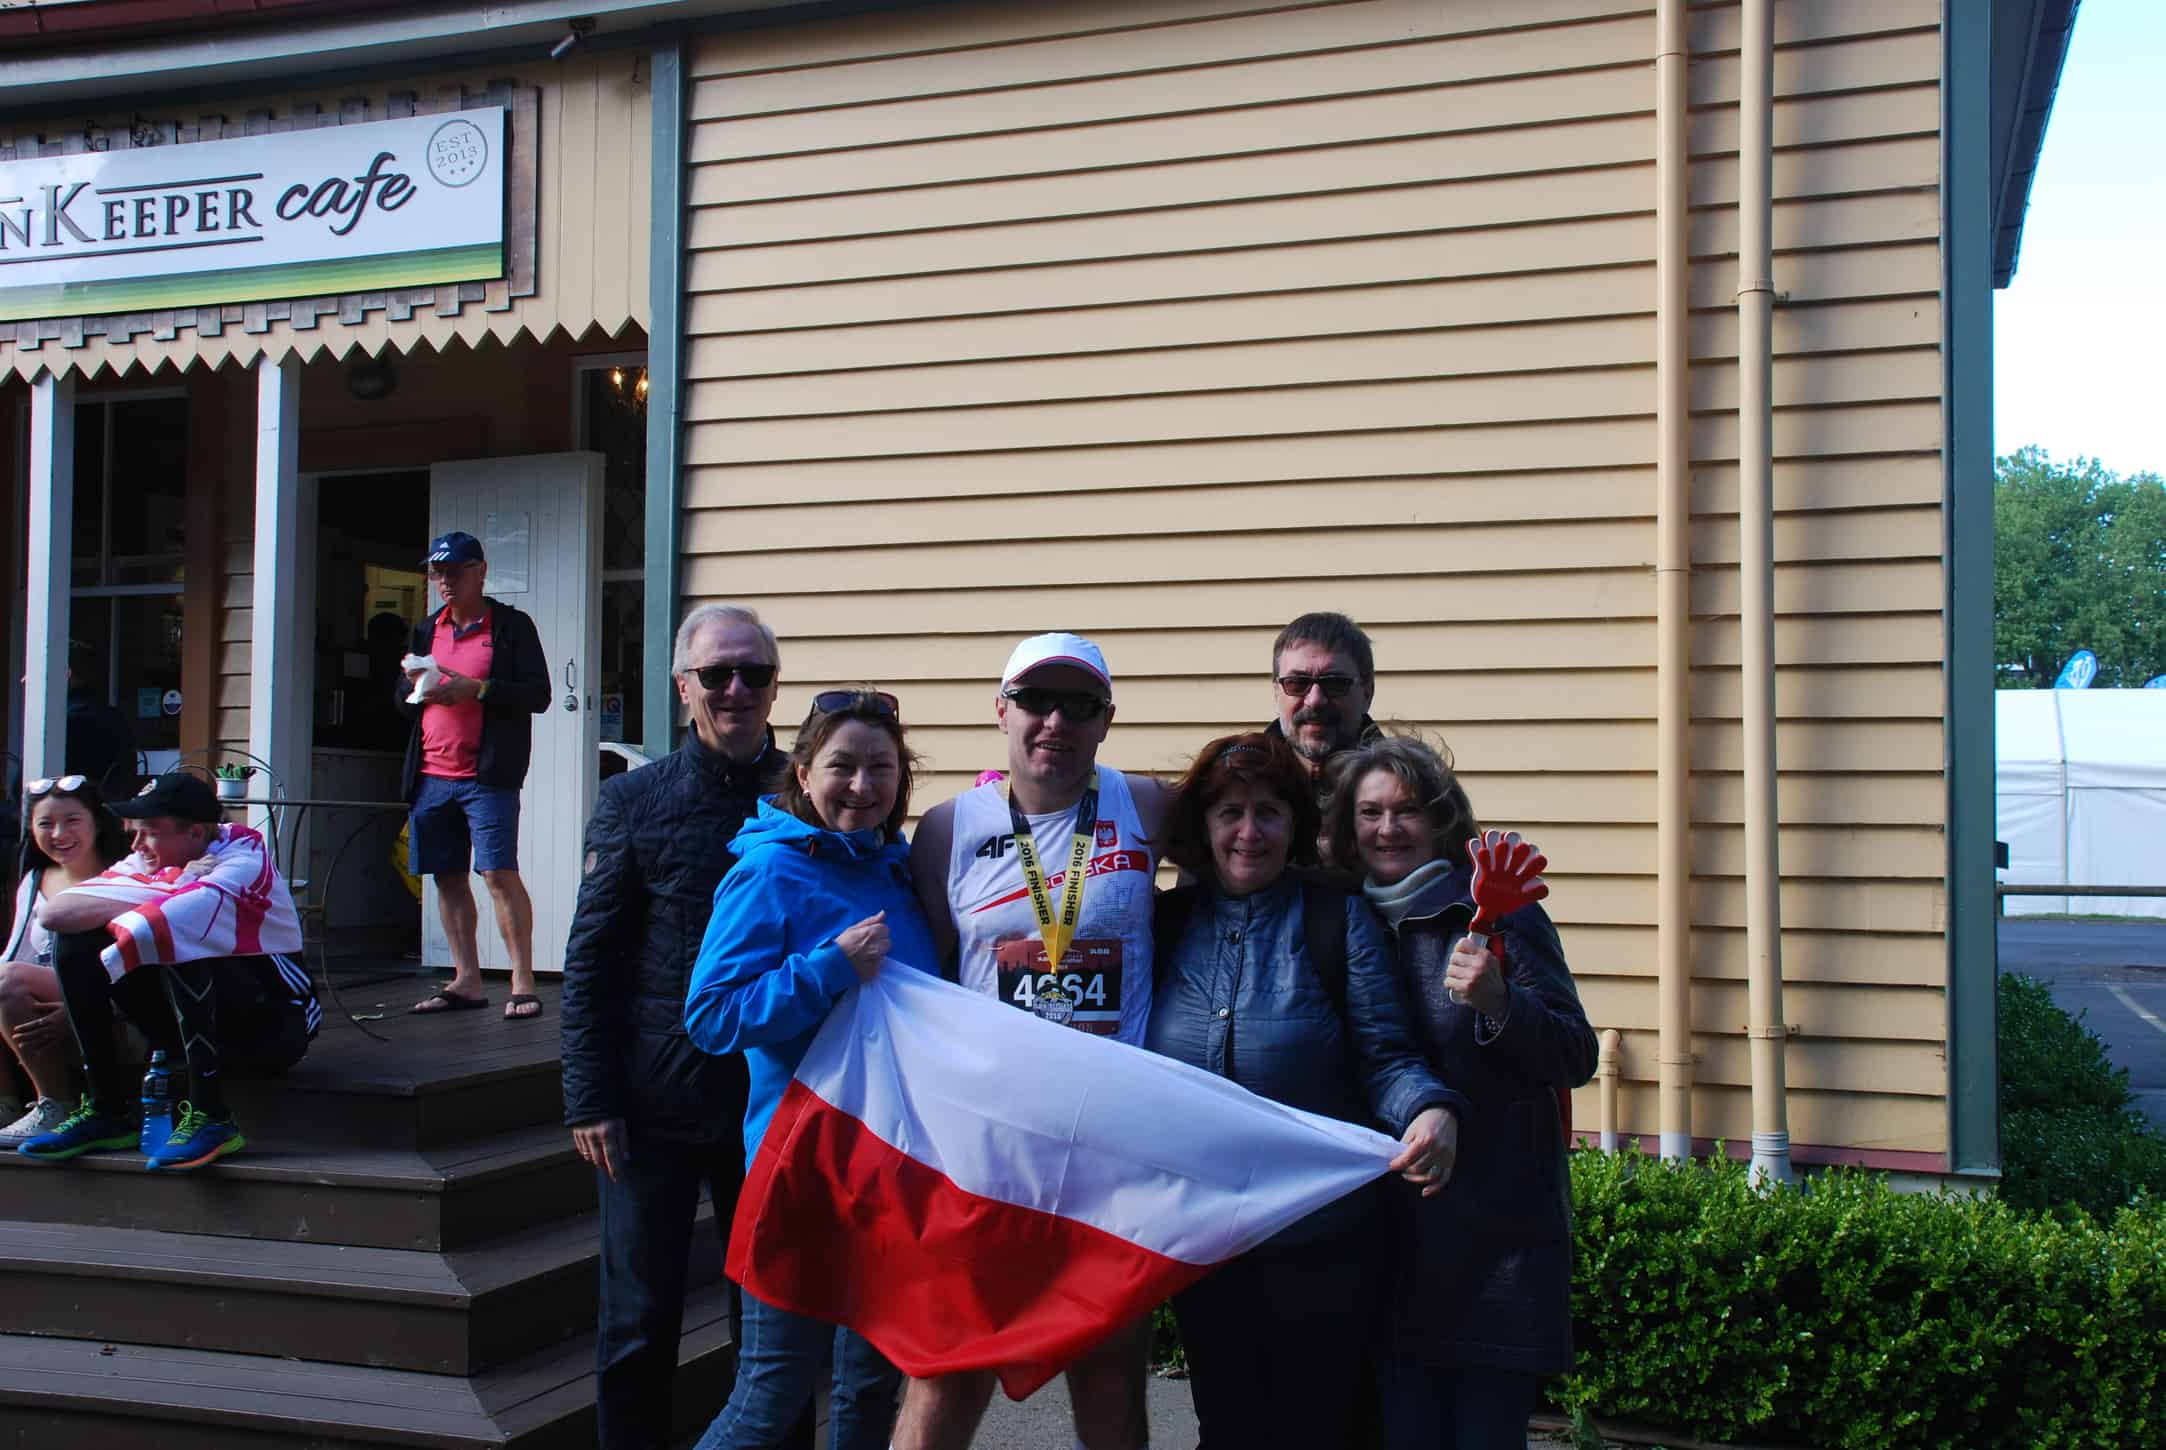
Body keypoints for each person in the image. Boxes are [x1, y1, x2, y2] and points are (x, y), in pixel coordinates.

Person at [1144, 730, 1463, 1449]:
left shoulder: (1333, 918)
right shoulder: (1165, 924)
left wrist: (1430, 1107)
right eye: (1230, 812)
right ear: (1204, 826)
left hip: (1321, 1240)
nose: (1249, 832)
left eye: (1269, 812)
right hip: (1205, 1239)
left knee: (1320, 1428)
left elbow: (1386, 1057)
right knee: (1226, 1426)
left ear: (1295, 825)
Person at [898, 631, 1170, 1450]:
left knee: (1109, 1373)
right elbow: (930, 975)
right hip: (991, 1148)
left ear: (1107, 720)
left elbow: (1251, 843)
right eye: (1036, 701)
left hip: (1111, 1147)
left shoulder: (1148, 804)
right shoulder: (948, 828)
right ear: (1001, 711)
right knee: (949, 1367)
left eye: (1079, 705)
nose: (1056, 721)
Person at [561, 603, 808, 1450]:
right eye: (716, 673)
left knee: (772, 1327)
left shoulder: (809, 794)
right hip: (652, 1105)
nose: (736, 688)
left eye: (754, 673)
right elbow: (591, 960)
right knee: (637, 1325)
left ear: (775, 687)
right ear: (682, 687)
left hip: (774, 1106)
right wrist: (590, 1098)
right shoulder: (633, 800)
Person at [1321, 735, 1597, 1448]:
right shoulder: (1338, 918)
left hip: (1491, 1245)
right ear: (1347, 826)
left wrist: (1502, 1002)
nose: (1389, 829)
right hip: (1385, 1245)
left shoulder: (1498, 915)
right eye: (1371, 813)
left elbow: (1575, 1053)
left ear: (1441, 819)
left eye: (1407, 810)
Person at [684, 688, 941, 1450]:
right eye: (842, 766)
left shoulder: (900, 873)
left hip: (891, 1171)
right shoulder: (768, 871)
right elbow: (713, 1016)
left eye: (881, 768)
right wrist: (828, 967)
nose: (862, 786)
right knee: (770, 1397)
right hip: (799, 1173)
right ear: (802, 773)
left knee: (869, 1392)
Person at [17, 771, 318, 1170]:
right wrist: (175, 883)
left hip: (272, 1027)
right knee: (80, 938)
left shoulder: (244, 859)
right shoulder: (153, 858)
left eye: (150, 832)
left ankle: (211, 1116)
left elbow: (170, 919)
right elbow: (57, 913)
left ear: (196, 833)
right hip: (189, 1021)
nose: (137, 845)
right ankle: (108, 1110)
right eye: (135, 832)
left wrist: (154, 893)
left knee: (178, 930)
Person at [397, 530, 551, 1021]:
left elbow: (538, 695)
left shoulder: (510, 627)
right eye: (437, 573)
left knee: (498, 873)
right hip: (430, 773)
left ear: (480, 572)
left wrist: (476, 688)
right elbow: (400, 704)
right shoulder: (427, 630)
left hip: (487, 776)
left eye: (455, 572)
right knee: (447, 875)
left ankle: (522, 981)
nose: (445, 582)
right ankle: (466, 979)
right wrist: (416, 687)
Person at [0, 775, 134, 1147]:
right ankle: (6, 1103)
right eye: (45, 823)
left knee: (9, 981)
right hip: (46, 1001)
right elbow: (15, 955)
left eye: (72, 820)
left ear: (96, 821)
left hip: (120, 1009)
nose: (59, 834)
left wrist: (78, 1009)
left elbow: (146, 969)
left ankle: (56, 1104)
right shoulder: (35, 879)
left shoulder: (126, 876)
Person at [1266, 611, 1382, 778]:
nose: (1315, 700)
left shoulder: (1411, 787)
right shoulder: (1238, 784)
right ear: (1277, 693)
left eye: (1334, 683)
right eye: (1297, 683)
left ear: (1367, 693)